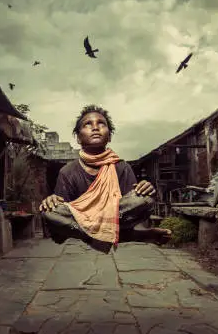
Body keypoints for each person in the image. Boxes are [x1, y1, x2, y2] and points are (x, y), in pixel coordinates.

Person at [40, 104, 172, 253]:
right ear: (78, 138)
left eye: (101, 124)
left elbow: (131, 210)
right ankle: (129, 236)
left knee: (146, 198)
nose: (95, 127)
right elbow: (61, 218)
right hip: (82, 220)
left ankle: (96, 236)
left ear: (109, 136)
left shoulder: (121, 167)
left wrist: (144, 189)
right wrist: (51, 201)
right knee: (49, 211)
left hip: (113, 218)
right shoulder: (68, 171)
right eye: (87, 124)